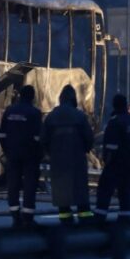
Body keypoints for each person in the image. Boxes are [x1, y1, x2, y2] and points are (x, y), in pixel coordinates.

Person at [41, 85, 95, 225]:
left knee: (61, 191)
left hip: (58, 160)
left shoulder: (52, 116)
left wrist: (50, 153)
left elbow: (44, 139)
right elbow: (89, 137)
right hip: (77, 159)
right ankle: (85, 217)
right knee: (80, 189)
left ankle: (65, 219)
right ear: (73, 99)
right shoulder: (79, 116)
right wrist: (85, 150)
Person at [0, 85, 43, 228]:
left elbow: (1, 135)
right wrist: (39, 154)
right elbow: (38, 137)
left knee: (13, 184)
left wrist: (7, 150)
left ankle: (15, 216)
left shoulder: (9, 111)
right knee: (30, 185)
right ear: (32, 97)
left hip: (12, 154)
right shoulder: (35, 113)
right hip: (30, 155)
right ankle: (28, 218)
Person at [94, 94, 130, 223]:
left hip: (116, 163)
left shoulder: (115, 122)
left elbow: (110, 145)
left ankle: (100, 216)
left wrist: (106, 160)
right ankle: (125, 217)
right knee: (125, 191)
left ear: (114, 105)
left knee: (105, 189)